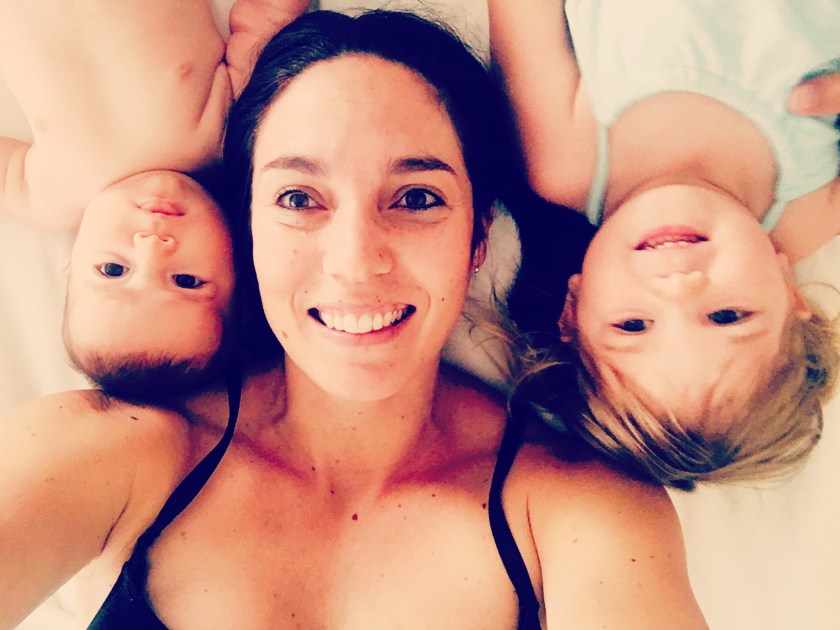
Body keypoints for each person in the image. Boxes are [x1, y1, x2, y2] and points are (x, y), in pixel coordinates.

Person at [0, 10, 708, 629]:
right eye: (298, 199)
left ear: (479, 240)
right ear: (248, 230)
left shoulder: (585, 516)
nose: (355, 261)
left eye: (417, 198)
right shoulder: (113, 452)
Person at [489, 0, 840, 489]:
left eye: (633, 325)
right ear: (793, 295)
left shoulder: (564, 162)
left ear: (572, 310)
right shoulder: (809, 211)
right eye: (727, 316)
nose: (678, 286)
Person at [0, 0, 308, 402]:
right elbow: (265, 19)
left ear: (71, 267)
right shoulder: (231, 134)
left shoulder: (50, 199)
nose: (152, 247)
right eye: (186, 281)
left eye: (113, 270)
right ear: (238, 267)